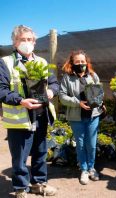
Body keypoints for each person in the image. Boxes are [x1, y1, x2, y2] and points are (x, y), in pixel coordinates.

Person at [0, 25, 58, 197]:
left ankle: (38, 183)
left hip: (40, 115)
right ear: (15, 42)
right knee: (19, 156)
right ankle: (20, 188)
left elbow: (55, 83)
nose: (27, 43)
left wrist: (50, 92)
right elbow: (1, 89)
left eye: (30, 39)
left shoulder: (41, 62)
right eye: (22, 39)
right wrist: (20, 101)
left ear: (34, 42)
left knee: (40, 152)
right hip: (19, 118)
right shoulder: (6, 63)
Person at [59, 50, 104, 185]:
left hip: (93, 115)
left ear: (86, 62)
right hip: (76, 116)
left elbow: (100, 93)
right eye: (77, 62)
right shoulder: (67, 77)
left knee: (91, 144)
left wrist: (98, 102)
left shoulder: (93, 75)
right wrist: (77, 103)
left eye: (82, 62)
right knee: (80, 143)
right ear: (72, 63)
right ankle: (83, 169)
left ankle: (91, 168)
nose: (80, 64)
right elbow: (62, 96)